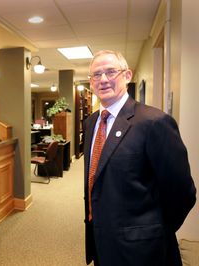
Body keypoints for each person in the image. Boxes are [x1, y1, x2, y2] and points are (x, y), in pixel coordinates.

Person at [84, 50, 196, 266]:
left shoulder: (154, 122)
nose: (103, 79)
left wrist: (152, 230)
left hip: (142, 250)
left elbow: (182, 192)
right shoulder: (91, 123)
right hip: (101, 239)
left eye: (110, 72)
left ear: (127, 76)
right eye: (96, 75)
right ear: (90, 83)